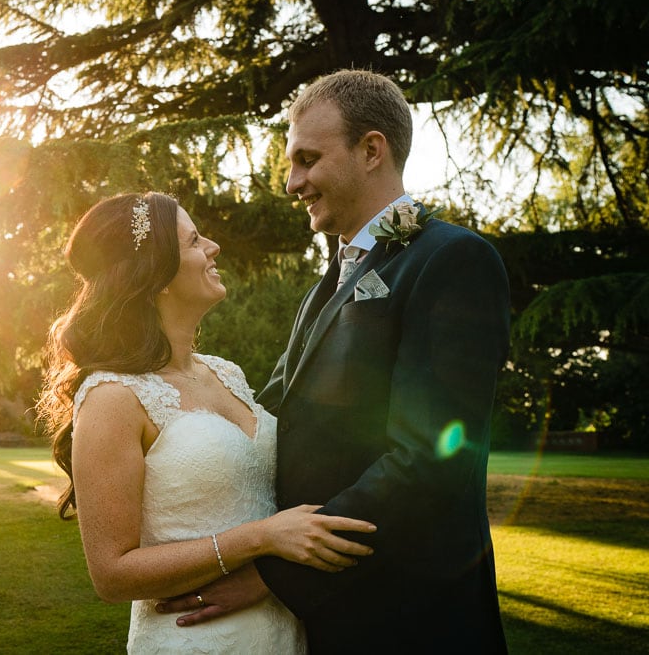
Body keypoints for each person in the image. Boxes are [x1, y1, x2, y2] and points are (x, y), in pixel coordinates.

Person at [156, 70, 511, 653]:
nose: (293, 183)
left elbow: (430, 460)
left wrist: (275, 573)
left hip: (410, 617)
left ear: (372, 150)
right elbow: (272, 414)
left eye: (308, 159)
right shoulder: (329, 283)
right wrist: (135, 417)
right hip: (329, 620)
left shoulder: (454, 261)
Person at [39, 192, 379, 653]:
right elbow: (112, 574)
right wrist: (262, 538)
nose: (214, 246)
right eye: (195, 240)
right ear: (154, 274)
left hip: (281, 630)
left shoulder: (226, 372)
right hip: (194, 638)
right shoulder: (111, 397)